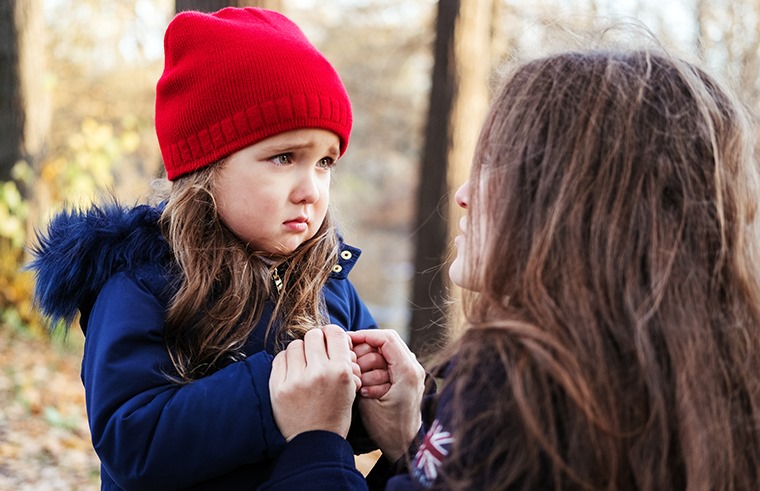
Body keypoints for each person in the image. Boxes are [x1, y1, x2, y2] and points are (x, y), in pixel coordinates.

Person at [259, 46, 760, 490]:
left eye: (498, 165)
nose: (462, 195)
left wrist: (315, 441)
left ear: (577, 205)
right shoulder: (700, 387)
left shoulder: (519, 387)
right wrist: (411, 442)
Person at [28, 7, 384, 490]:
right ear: (206, 167)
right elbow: (130, 442)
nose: (311, 190)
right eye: (284, 158)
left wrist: (379, 394)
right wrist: (272, 396)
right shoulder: (143, 284)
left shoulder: (329, 281)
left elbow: (343, 426)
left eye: (325, 162)